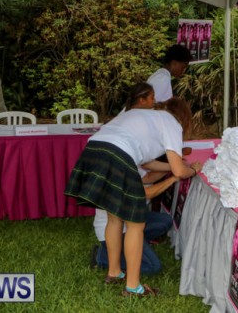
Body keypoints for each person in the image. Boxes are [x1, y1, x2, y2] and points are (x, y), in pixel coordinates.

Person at [64, 96, 203, 297]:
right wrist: (193, 170)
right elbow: (179, 171)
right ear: (183, 117)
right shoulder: (172, 122)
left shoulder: (145, 116)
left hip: (94, 149)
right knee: (136, 225)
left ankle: (114, 273)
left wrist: (176, 167)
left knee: (114, 218)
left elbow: (146, 163)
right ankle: (133, 287)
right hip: (118, 155)